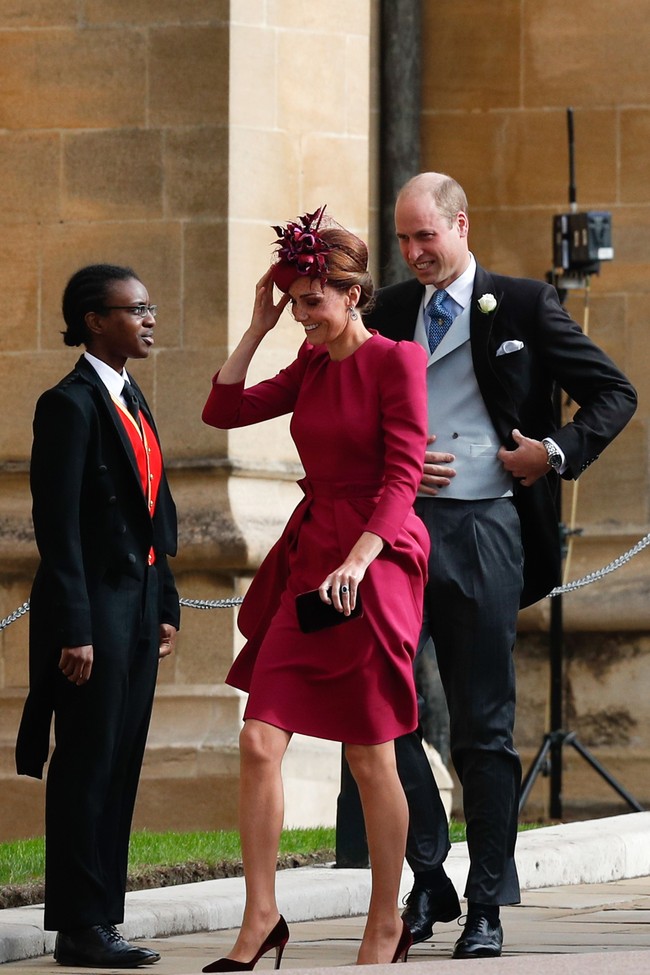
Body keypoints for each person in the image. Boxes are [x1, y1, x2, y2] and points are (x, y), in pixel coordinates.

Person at [351, 172, 636, 960]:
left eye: (425, 236)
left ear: (460, 225)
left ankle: (485, 903)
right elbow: (351, 408)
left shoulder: (523, 304)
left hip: (486, 529)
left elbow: (614, 393)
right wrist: (392, 461)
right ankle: (428, 874)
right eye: (403, 239)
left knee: (484, 727)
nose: (414, 252)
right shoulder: (388, 311)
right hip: (398, 532)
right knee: (378, 710)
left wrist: (553, 453)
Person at [200, 207, 430, 968]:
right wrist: (257, 327)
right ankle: (261, 917)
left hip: (376, 559)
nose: (302, 314)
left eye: (311, 301)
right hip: (312, 558)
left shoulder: (397, 362)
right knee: (258, 739)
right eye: (294, 302)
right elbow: (223, 410)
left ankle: (385, 923)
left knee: (369, 753)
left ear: (352, 295)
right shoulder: (310, 362)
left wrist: (359, 562)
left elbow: (403, 478)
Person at [15, 265, 180, 968]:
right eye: (134, 309)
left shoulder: (130, 394)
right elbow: (57, 529)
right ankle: (78, 926)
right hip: (93, 612)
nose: (149, 319)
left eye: (148, 307)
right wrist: (75, 629)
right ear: (93, 320)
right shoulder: (68, 404)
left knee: (120, 761)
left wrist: (165, 603)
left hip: (137, 605)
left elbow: (152, 509)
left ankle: (103, 919)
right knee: (86, 764)